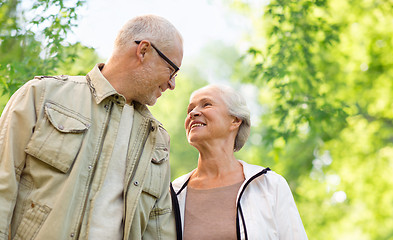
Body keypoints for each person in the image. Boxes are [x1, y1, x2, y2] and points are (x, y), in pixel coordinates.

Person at [0, 15, 183, 240]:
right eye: (172, 70)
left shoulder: (157, 139)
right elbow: (3, 183)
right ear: (143, 50)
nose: (172, 84)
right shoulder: (42, 96)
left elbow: (159, 227)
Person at [171, 84, 308, 240]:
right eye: (190, 110)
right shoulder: (174, 193)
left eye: (206, 104)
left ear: (235, 120)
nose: (193, 113)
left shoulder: (269, 184)